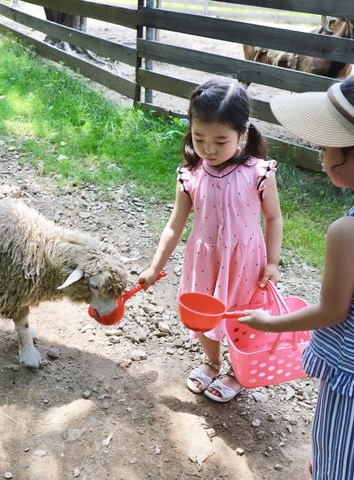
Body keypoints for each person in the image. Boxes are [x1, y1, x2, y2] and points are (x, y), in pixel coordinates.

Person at [239, 72, 354, 479]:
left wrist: (269, 323)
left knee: (339, 466)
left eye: (326, 147)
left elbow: (331, 312)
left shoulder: (350, 231)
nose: (321, 154)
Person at [138, 78, 283, 402]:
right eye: (199, 138)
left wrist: (272, 262)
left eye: (221, 140)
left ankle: (237, 370)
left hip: (245, 263)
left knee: (240, 318)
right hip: (204, 260)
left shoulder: (258, 172)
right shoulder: (189, 176)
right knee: (204, 316)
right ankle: (212, 361)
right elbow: (174, 227)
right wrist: (153, 268)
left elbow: (273, 217)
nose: (209, 149)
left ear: (243, 133)